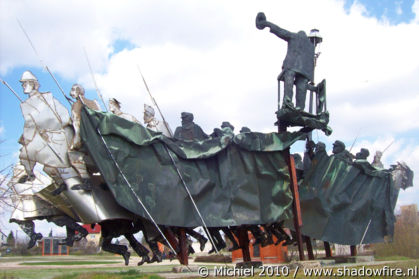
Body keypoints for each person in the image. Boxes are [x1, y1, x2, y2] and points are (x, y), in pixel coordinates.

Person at [17, 71, 89, 195]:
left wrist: (52, 127)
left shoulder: (48, 98)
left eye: (26, 83)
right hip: (46, 136)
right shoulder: (26, 105)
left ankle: (86, 181)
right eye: (23, 84)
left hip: (61, 133)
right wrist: (28, 139)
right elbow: (30, 125)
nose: (24, 86)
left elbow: (64, 116)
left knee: (72, 157)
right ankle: (56, 182)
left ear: (33, 84)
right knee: (37, 159)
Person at [256, 12, 316, 110]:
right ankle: (300, 107)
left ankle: (287, 101)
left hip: (291, 66)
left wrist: (265, 23)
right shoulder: (311, 47)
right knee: (301, 87)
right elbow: (312, 64)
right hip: (305, 72)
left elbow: (279, 30)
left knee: (289, 83)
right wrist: (311, 78)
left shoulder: (294, 36)